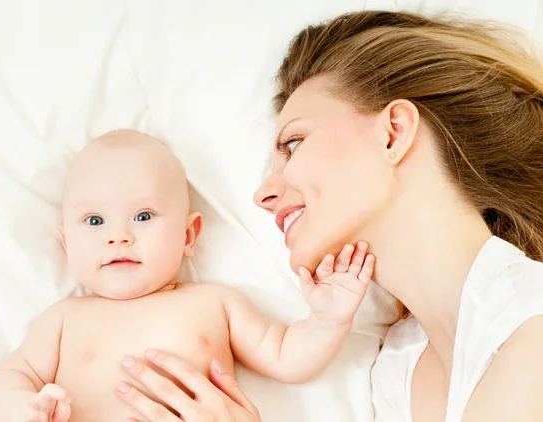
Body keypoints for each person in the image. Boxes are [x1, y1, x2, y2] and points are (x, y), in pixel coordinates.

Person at [114, 10, 543, 422]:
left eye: (294, 144)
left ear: (393, 133)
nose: (263, 194)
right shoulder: (398, 370)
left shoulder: (532, 329)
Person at [0, 129, 375, 422]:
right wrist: (22, 409)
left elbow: (288, 357)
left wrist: (329, 319)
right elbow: (10, 375)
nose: (118, 235)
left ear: (188, 235)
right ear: (67, 242)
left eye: (142, 216)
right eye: (94, 220)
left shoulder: (215, 303)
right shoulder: (64, 319)